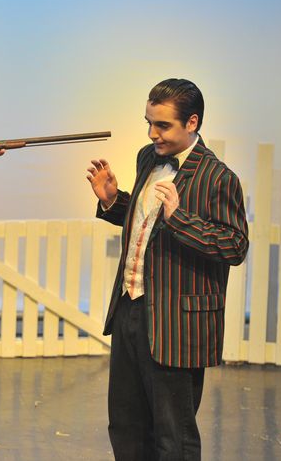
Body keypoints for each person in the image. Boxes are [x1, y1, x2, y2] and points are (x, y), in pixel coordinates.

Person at [86, 78, 248, 460]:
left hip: (176, 322)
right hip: (130, 308)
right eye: (149, 123)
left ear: (192, 122)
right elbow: (148, 223)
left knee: (173, 435)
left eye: (162, 125)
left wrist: (180, 219)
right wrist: (113, 201)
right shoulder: (147, 157)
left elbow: (235, 245)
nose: (152, 133)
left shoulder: (219, 177)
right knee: (125, 424)